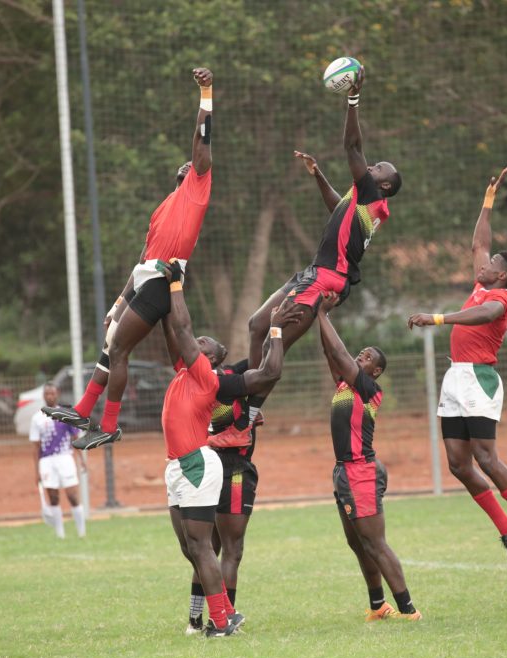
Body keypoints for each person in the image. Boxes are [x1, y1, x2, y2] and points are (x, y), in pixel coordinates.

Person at [209, 66, 402, 450]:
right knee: (257, 324)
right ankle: (250, 402)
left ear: (383, 184)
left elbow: (352, 147)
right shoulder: (361, 200)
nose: (372, 164)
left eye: (378, 167)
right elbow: (336, 208)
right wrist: (317, 175)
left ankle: (244, 420)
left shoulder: (372, 195)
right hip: (313, 274)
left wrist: (352, 99)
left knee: (275, 345)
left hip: (327, 280)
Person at [43, 67, 216, 450]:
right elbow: (142, 257)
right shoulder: (163, 208)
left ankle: (105, 422)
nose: (189, 165)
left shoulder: (198, 189)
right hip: (145, 280)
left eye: (193, 164)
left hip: (162, 281)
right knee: (114, 342)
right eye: (184, 166)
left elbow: (202, 141)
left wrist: (206, 93)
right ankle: (86, 410)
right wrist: (120, 302)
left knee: (119, 349)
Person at [407, 168, 507, 568]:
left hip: (479, 379)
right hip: (455, 377)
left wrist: (437, 319)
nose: (481, 264)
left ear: (501, 275)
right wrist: (488, 198)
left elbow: (482, 314)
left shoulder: (499, 298)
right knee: (457, 463)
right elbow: (479, 242)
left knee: (486, 458)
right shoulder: (484, 282)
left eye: (491, 264)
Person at [159, 260, 301, 636]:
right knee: (192, 548)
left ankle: (221, 620)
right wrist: (157, 293)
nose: (196, 341)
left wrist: (176, 284)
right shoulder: (186, 371)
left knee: (207, 548)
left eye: (204, 343)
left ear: (212, 358)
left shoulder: (207, 376)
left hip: (200, 464)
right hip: (177, 465)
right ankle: (212, 618)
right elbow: (173, 328)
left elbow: (267, 372)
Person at [317, 292, 421, 622]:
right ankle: (379, 605)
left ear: (374, 371)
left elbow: (339, 352)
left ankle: (408, 610)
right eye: (360, 354)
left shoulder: (368, 389)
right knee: (358, 543)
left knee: (375, 543)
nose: (360, 357)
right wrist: (321, 319)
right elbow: (331, 352)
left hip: (361, 471)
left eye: (366, 358)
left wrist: (321, 314)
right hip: (344, 472)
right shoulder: (345, 386)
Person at [184, 356, 262, 634]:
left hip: (208, 466)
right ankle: (223, 620)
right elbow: (266, 365)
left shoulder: (199, 382)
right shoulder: (222, 384)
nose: (201, 343)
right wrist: (279, 329)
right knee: (231, 549)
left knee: (208, 548)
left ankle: (195, 620)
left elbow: (256, 358)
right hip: (232, 469)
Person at [29, 383, 86, 538]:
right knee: (53, 496)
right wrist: (36, 471)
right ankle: (60, 533)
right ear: (43, 396)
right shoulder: (37, 418)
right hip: (46, 461)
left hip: (65, 457)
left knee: (72, 494)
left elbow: (75, 438)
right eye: (47, 394)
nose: (50, 396)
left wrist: (81, 459)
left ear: (57, 394)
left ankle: (82, 532)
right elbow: (35, 447)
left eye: (52, 393)